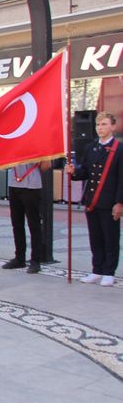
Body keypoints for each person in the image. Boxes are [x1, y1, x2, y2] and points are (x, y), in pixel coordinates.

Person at [66, 112, 123, 286]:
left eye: (104, 124)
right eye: (98, 125)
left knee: (110, 237)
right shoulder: (91, 148)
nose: (100, 128)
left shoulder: (119, 149)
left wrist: (119, 202)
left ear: (112, 127)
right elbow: (85, 172)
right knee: (95, 237)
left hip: (109, 201)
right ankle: (97, 269)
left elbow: (122, 178)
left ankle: (109, 271)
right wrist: (74, 171)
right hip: (92, 200)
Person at [1, 160, 50, 274]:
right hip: (14, 182)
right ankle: (19, 258)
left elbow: (46, 166)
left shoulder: (38, 143)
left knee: (34, 225)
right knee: (16, 223)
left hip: (31, 184)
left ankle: (35, 260)